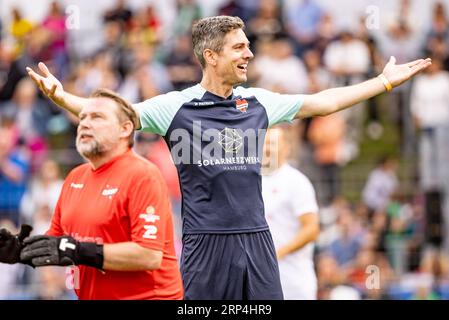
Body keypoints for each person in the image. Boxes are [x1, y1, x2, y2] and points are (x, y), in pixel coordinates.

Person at [26, 15, 431, 300]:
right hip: (204, 246)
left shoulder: (258, 102)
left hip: (256, 240)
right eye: (239, 47)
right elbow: (113, 116)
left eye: (249, 46)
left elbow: (322, 102)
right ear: (211, 56)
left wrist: (382, 82)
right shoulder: (174, 107)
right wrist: (62, 96)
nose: (249, 54)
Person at [0, 89, 183, 300]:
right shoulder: (75, 177)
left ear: (125, 129)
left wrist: (80, 251)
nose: (85, 123)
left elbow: (149, 255)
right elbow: (55, 243)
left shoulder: (143, 175)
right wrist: (18, 250)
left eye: (97, 117)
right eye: (83, 117)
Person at [262, 126, 320, 299]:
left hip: (294, 281)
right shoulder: (252, 180)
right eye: (263, 143)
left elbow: (311, 229)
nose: (266, 148)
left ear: (286, 148)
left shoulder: (296, 182)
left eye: (272, 143)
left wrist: (278, 253)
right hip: (262, 281)